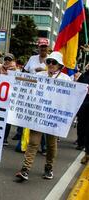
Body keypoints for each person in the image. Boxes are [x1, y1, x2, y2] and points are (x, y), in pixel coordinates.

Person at [15, 51, 71, 181]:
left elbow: (71, 98)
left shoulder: (65, 79)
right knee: (33, 143)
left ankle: (49, 167)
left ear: (59, 65)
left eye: (54, 62)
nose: (51, 64)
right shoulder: (39, 75)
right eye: (49, 61)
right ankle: (25, 169)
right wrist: (13, 76)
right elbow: (26, 84)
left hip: (53, 118)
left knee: (51, 145)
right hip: (39, 115)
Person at [77, 64, 89, 164]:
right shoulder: (84, 76)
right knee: (81, 124)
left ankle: (87, 152)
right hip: (83, 104)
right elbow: (77, 88)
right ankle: (80, 142)